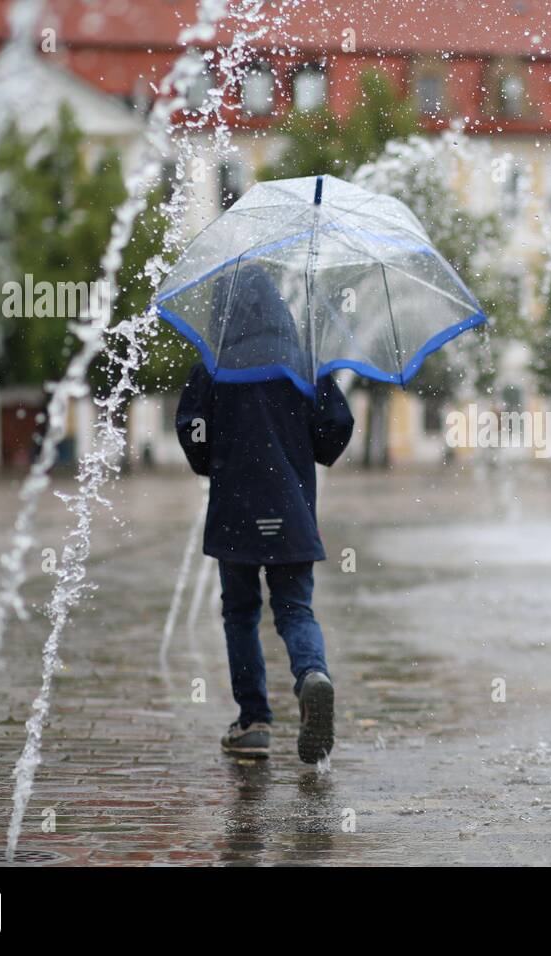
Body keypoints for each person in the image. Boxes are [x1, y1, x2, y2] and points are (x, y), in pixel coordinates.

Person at [175, 263, 354, 763]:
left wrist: (214, 460)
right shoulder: (303, 361)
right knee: (295, 608)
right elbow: (337, 424)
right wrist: (309, 443)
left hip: (234, 510)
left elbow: (192, 429)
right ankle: (311, 674)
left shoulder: (213, 364)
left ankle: (253, 721)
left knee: (240, 614)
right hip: (292, 512)